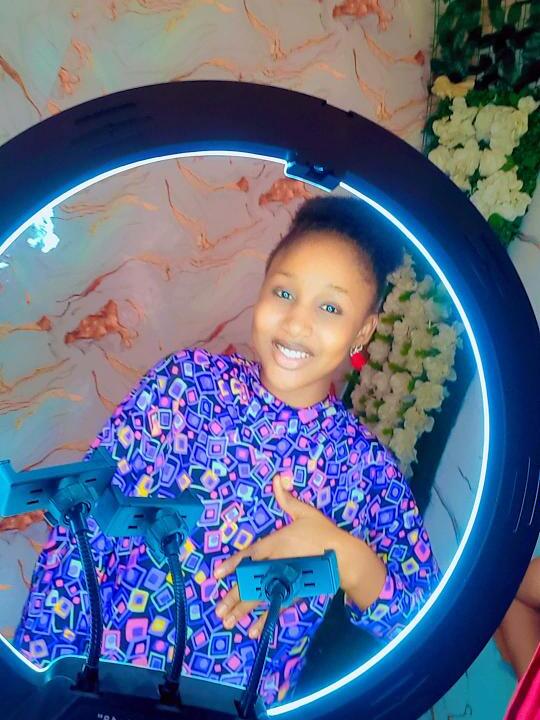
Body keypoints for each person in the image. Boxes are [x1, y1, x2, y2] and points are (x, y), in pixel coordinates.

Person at [13, 196, 441, 706]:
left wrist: (343, 555)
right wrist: (38, 680)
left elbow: (426, 624)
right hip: (94, 682)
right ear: (261, 290)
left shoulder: (366, 468)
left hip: (226, 706)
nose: (297, 321)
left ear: (363, 330)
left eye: (330, 307)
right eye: (284, 292)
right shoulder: (186, 384)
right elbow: (80, 526)